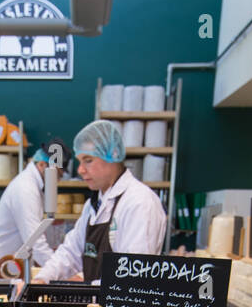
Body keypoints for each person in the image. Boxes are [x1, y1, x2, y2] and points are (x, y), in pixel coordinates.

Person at [33, 120, 168, 283]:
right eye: (80, 161)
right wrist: (42, 278)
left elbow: (133, 278)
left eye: (88, 160)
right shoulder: (94, 204)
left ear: (114, 155)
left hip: (121, 305)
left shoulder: (139, 203)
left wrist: (87, 287)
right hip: (97, 303)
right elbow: (70, 251)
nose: (80, 169)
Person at [0, 148, 55, 281]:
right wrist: (60, 271)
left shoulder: (32, 185)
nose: (57, 180)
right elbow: (35, 240)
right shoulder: (25, 189)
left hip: (11, 266)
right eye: (56, 174)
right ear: (42, 165)